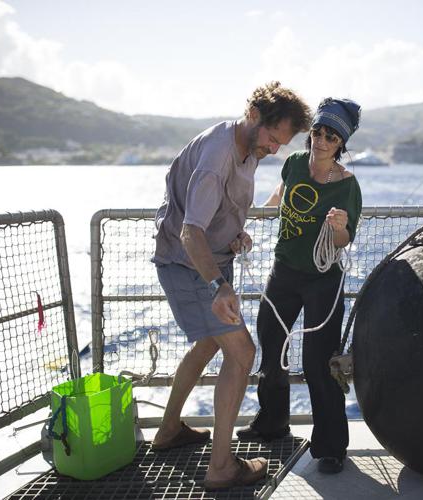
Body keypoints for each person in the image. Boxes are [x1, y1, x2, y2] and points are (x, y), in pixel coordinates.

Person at [150, 82, 312, 490]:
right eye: (273, 139)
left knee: (208, 345)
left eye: (282, 143)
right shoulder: (218, 155)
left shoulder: (249, 146)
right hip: (189, 265)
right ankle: (221, 467)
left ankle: (168, 430)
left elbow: (218, 213)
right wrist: (220, 286)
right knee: (242, 354)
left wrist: (235, 234)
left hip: (208, 260)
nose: (275, 149)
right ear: (254, 114)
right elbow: (191, 233)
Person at [237, 98, 363, 474]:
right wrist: (252, 216)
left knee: (318, 362)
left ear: (341, 142)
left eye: (331, 136)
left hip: (324, 280)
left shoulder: (347, 186)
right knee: (271, 343)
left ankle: (330, 446)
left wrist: (339, 228)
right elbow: (280, 196)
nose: (322, 140)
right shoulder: (293, 164)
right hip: (284, 271)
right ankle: (273, 420)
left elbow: (344, 242)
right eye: (319, 132)